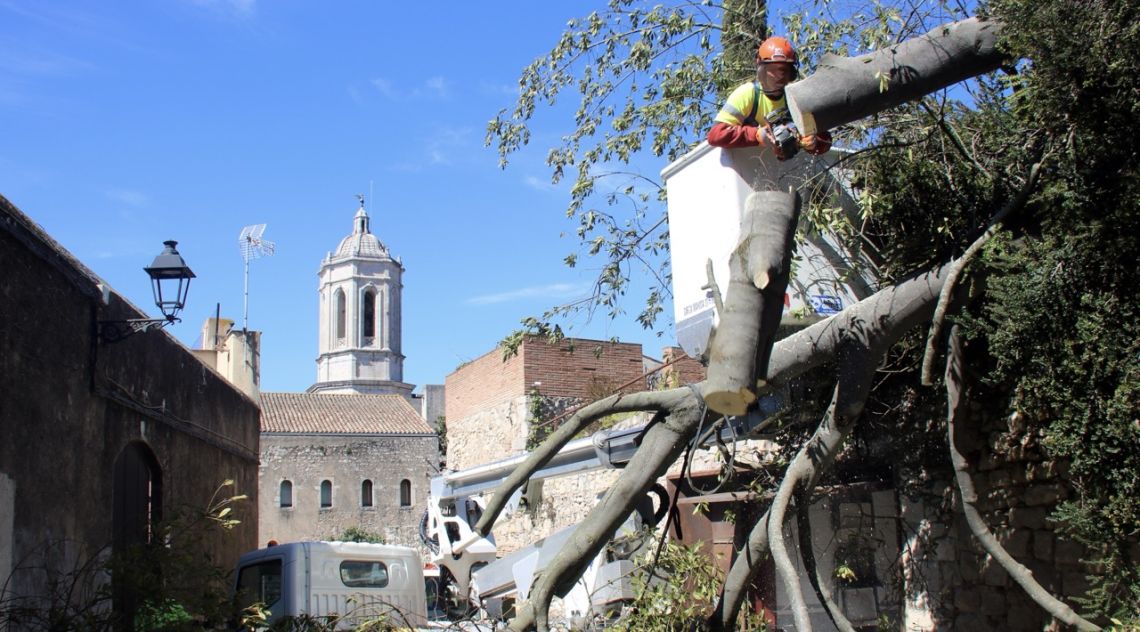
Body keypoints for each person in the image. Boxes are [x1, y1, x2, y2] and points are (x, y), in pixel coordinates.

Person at [706, 36, 832, 159]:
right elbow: (716, 135)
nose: (778, 76)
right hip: (741, 166)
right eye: (772, 69)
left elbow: (825, 141)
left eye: (783, 70)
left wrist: (814, 142)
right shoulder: (748, 94)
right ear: (761, 69)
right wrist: (756, 135)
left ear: (791, 73)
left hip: (778, 172)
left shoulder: (796, 100)